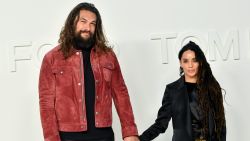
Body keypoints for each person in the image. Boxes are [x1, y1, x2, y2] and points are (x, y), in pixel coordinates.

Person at [38, 2, 139, 141]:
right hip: (68, 136)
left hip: (103, 135)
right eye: (83, 22)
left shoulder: (108, 55)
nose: (88, 28)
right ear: (72, 23)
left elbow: (121, 94)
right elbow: (46, 103)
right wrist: (51, 138)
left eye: (93, 24)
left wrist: (130, 132)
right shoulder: (52, 58)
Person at [139, 41, 226, 141]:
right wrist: (141, 139)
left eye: (194, 60)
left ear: (200, 62)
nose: (190, 65)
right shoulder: (172, 90)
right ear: (180, 63)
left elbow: (221, 124)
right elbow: (161, 124)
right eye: (186, 61)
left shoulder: (212, 87)